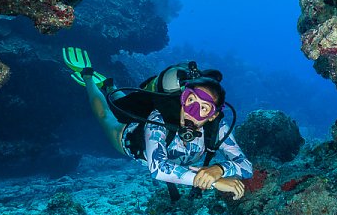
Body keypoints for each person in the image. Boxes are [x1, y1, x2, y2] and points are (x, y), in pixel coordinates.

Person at [62, 49, 253, 201]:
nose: (192, 112)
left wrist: (218, 169)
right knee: (106, 115)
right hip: (128, 139)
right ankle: (88, 77)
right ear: (182, 98)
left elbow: (245, 165)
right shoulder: (160, 116)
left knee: (124, 103)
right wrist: (215, 182)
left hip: (173, 152)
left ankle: (109, 86)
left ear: (213, 115)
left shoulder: (218, 127)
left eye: (204, 108)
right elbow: (158, 168)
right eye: (190, 100)